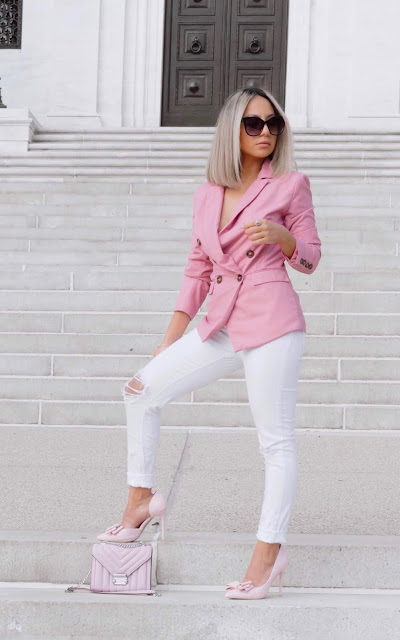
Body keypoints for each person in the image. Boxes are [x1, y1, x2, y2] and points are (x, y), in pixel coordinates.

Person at [97, 86, 322, 599]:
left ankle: (268, 554)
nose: (266, 132)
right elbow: (196, 272)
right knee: (140, 390)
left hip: (272, 320)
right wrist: (167, 343)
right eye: (253, 124)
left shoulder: (291, 185)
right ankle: (139, 499)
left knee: (275, 441)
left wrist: (285, 241)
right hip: (218, 323)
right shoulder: (206, 194)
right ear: (232, 131)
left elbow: (311, 257)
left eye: (273, 124)